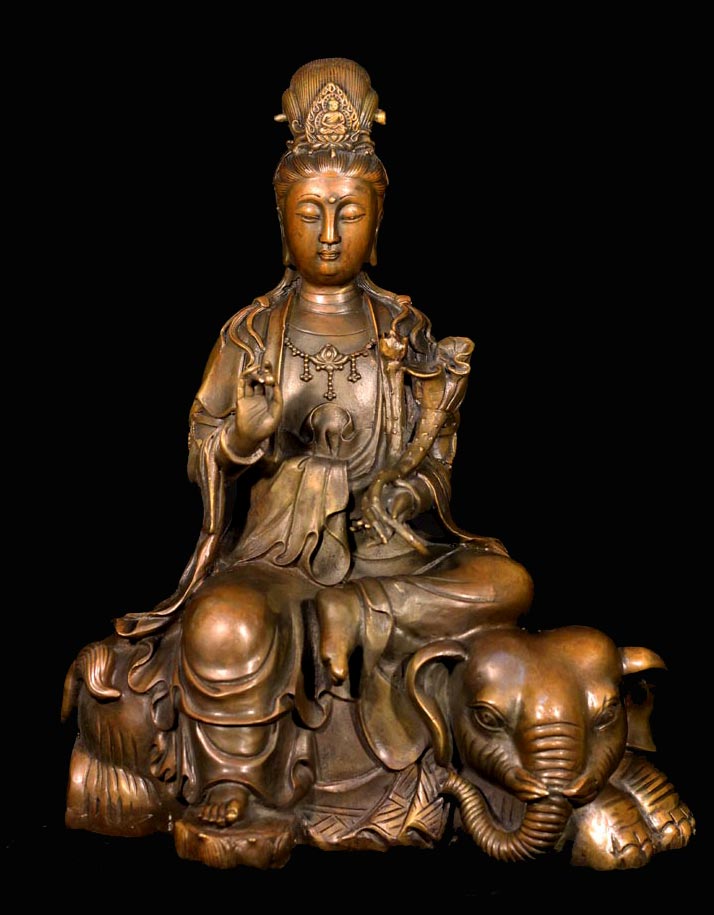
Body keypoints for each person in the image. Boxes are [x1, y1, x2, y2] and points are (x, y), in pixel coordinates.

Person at [63, 57, 534, 867]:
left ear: (377, 224)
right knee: (224, 620)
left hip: (387, 559)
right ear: (281, 220)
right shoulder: (251, 335)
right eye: (310, 212)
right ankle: (239, 781)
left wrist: (403, 495)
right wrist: (243, 438)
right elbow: (203, 450)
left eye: (349, 213)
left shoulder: (405, 331)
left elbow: (436, 467)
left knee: (507, 582)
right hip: (279, 558)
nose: (329, 233)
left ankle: (357, 616)